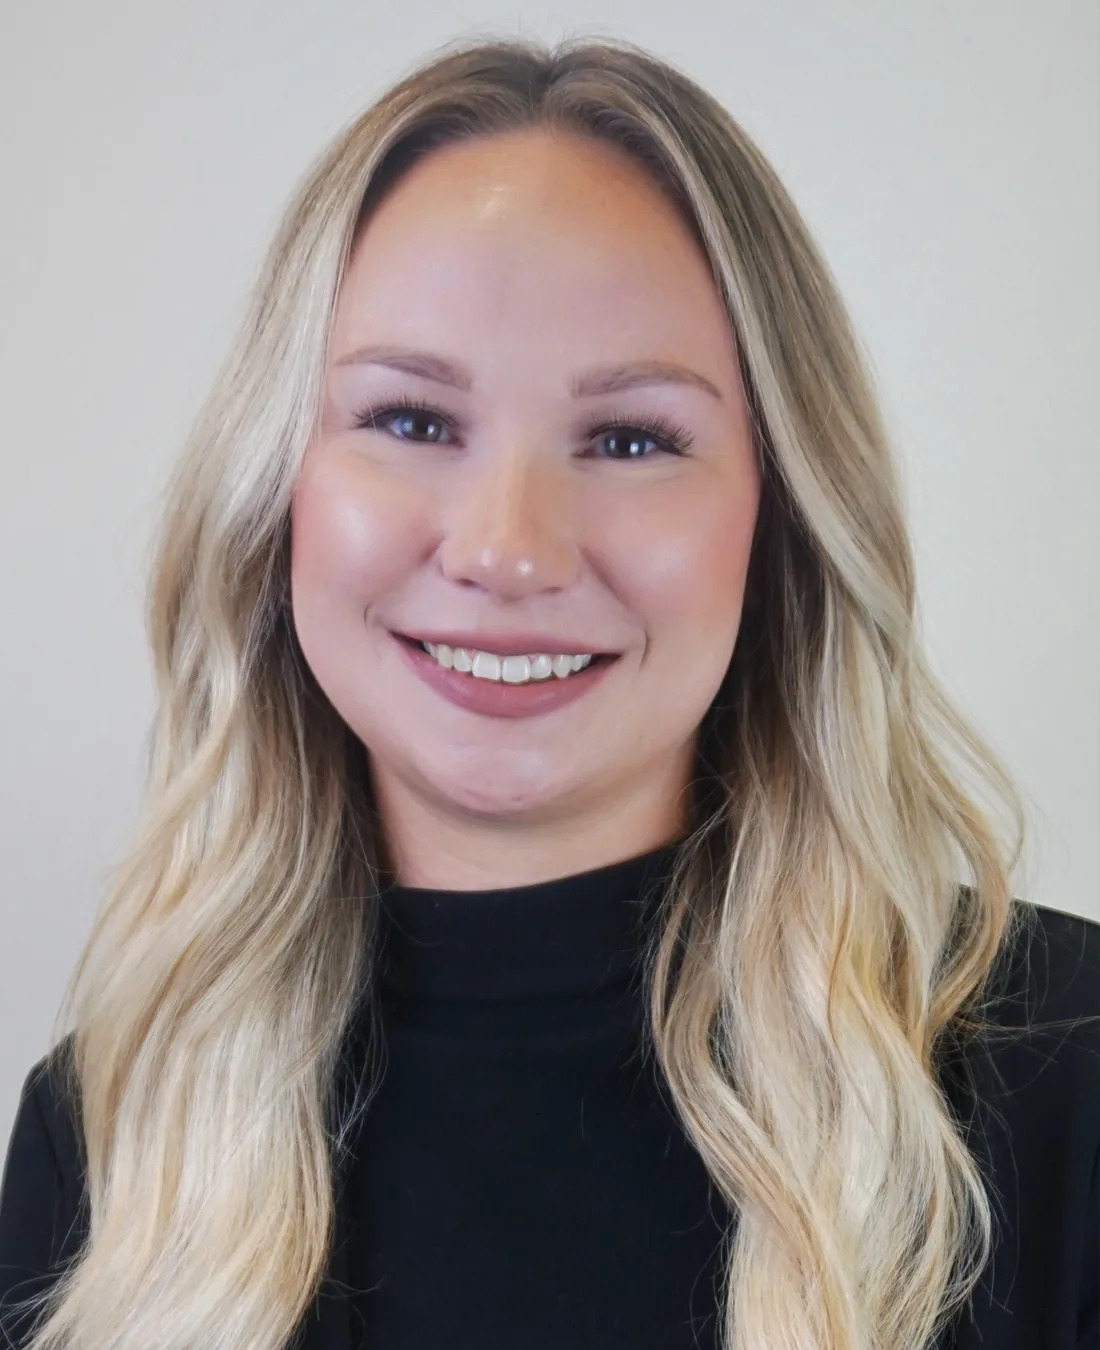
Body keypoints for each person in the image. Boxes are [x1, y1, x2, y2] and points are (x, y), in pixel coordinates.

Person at [0, 32, 1096, 1350]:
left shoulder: (1063, 1072)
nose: (508, 547)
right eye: (411, 420)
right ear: (278, 489)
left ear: (781, 517)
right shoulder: (108, 1134)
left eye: (632, 437)